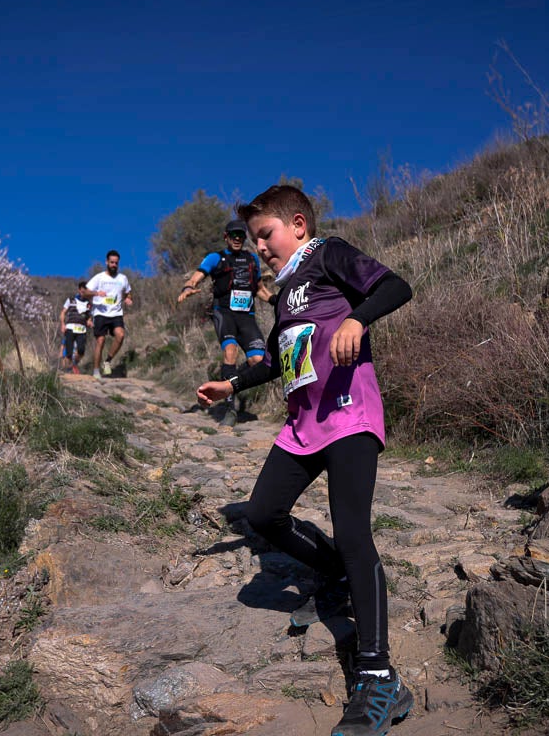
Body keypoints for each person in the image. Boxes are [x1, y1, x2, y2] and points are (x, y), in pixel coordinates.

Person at [195, 185, 414, 736]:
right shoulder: (287, 288)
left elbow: (395, 285)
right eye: (254, 240)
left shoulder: (327, 254)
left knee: (355, 531)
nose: (261, 247)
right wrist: (232, 384)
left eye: (265, 235)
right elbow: (276, 358)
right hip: (302, 426)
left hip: (347, 416)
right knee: (264, 514)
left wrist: (357, 320)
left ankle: (378, 673)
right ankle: (335, 569)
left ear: (297, 223)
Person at [176, 218, 273, 426]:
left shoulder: (252, 259)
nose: (237, 239)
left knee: (259, 361)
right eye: (233, 235)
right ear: (226, 237)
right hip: (224, 313)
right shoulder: (215, 258)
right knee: (230, 351)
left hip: (247, 316)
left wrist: (275, 299)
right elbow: (196, 277)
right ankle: (230, 408)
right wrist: (188, 287)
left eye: (241, 235)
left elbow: (259, 289)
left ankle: (228, 382)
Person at [86, 250, 133, 379]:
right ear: (107, 262)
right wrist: (96, 294)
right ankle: (96, 371)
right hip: (101, 313)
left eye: (116, 263)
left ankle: (107, 361)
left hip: (116, 313)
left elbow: (128, 292)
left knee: (120, 335)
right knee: (100, 341)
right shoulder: (99, 277)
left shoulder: (122, 278)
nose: (114, 265)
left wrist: (128, 298)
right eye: (111, 262)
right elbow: (85, 292)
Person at [58, 280, 93, 374]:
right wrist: (62, 324)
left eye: (85, 291)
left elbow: (89, 317)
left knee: (81, 350)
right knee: (68, 352)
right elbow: (63, 312)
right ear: (79, 290)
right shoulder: (71, 300)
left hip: (82, 330)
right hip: (70, 328)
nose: (83, 293)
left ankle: (75, 363)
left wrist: (89, 322)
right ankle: (67, 371)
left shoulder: (89, 304)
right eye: (82, 291)